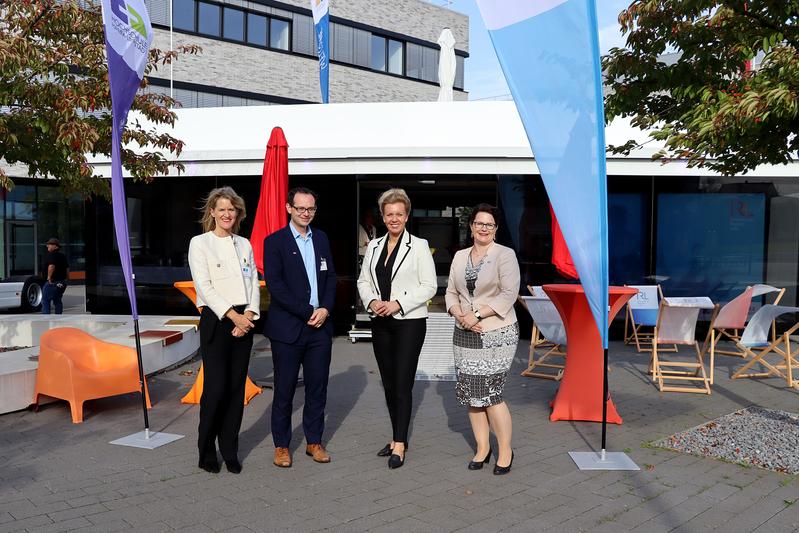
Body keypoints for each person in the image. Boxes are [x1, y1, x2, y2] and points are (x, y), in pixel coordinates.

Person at [357, 188, 436, 469]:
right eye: (389, 214)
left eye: (399, 214)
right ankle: (396, 436)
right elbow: (363, 281)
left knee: (402, 383)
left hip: (409, 323)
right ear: (382, 215)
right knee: (389, 383)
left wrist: (398, 304)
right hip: (380, 322)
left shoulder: (420, 246)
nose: (394, 219)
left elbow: (429, 286)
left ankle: (400, 444)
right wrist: (373, 301)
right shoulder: (375, 246)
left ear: (407, 215)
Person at [263, 187, 336, 468]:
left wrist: (326, 309)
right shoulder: (275, 242)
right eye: (301, 208)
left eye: (311, 209)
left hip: (320, 328)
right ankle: (281, 445)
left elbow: (330, 279)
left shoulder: (321, 238)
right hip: (289, 329)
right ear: (288, 208)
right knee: (285, 389)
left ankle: (314, 442)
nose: (306, 213)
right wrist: (308, 311)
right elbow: (276, 287)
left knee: (318, 388)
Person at [188, 187, 260, 474]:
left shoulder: (244, 244)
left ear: (237, 213)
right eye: (222, 209)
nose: (227, 213)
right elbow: (203, 286)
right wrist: (233, 317)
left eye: (232, 209)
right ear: (212, 213)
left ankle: (229, 450)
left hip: (245, 319)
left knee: (234, 390)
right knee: (215, 389)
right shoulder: (200, 243)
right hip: (218, 321)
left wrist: (249, 315)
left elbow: (254, 281)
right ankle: (206, 451)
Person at [445, 203, 520, 475]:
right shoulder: (460, 256)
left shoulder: (505, 254)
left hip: (497, 332)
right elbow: (451, 292)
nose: (484, 228)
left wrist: (475, 314)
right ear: (471, 226)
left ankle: (506, 451)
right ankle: (482, 448)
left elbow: (509, 293)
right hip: (464, 332)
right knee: (471, 393)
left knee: (491, 392)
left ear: (496, 229)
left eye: (489, 224)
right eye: (479, 223)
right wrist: (460, 315)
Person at [42, 238, 69, 315]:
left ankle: (46, 319)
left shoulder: (52, 255)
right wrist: (66, 278)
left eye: (49, 244)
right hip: (62, 282)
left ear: (56, 246)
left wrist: (49, 277)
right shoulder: (63, 256)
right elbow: (67, 268)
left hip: (52, 282)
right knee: (57, 301)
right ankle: (58, 318)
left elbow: (51, 266)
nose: (47, 246)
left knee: (45, 300)